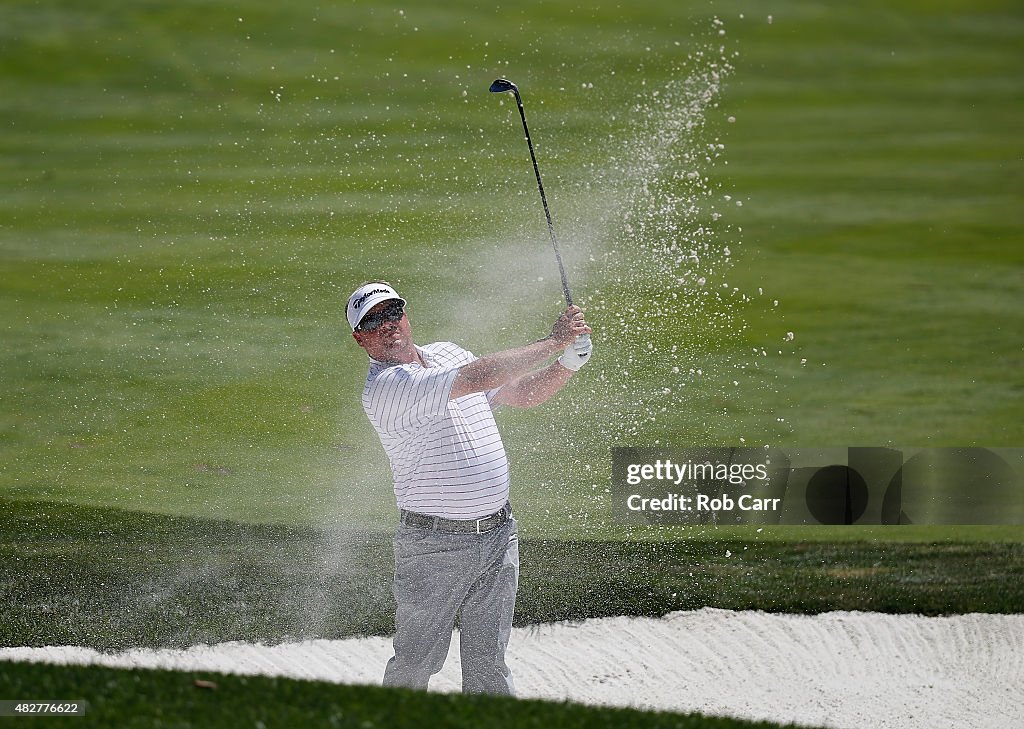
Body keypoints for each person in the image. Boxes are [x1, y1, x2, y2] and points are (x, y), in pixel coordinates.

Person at [346, 280, 593, 695]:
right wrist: (553, 341)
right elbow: (478, 375)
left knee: (488, 665)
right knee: (415, 662)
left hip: (498, 535)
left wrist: (568, 363)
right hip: (433, 545)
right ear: (360, 338)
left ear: (406, 315)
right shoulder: (388, 388)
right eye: (373, 320)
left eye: (392, 312)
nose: (387, 324)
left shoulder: (447, 353)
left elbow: (521, 393)